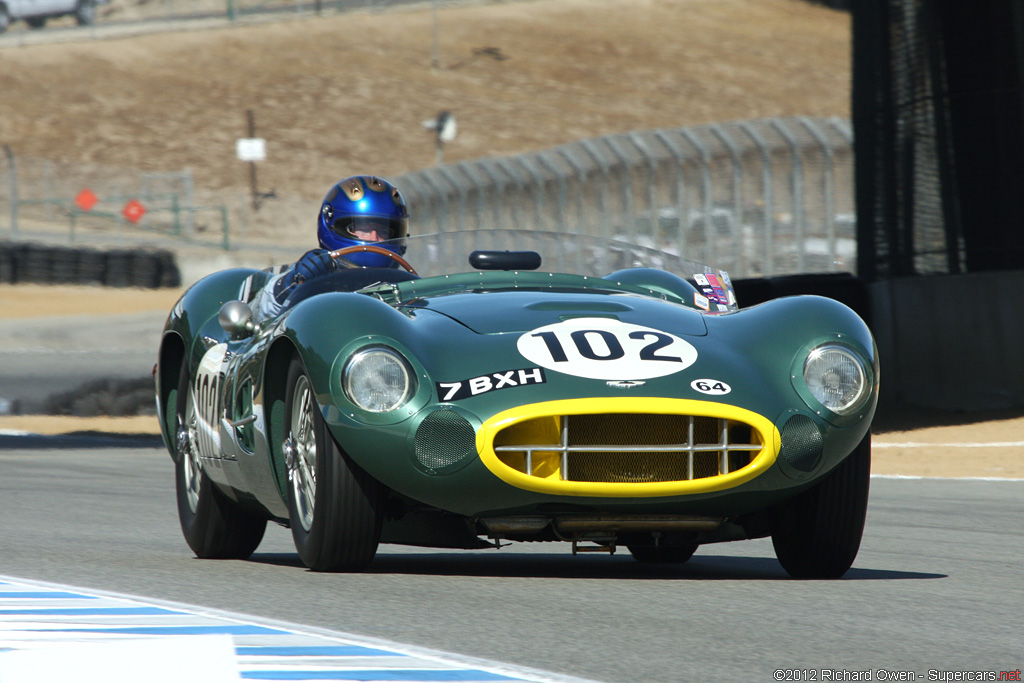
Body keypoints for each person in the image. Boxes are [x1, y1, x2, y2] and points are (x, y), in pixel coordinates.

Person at [247, 175, 410, 320]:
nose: (374, 238)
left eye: (384, 231)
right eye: (363, 229)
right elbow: (254, 314)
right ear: (333, 225)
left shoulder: (408, 287)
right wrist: (292, 282)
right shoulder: (296, 276)